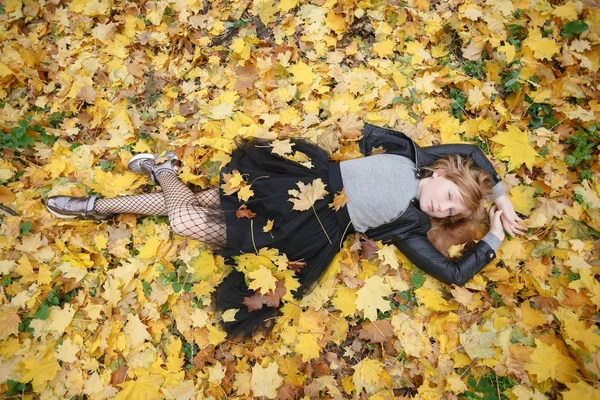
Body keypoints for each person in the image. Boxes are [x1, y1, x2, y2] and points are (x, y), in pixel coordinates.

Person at [46, 123, 525, 339]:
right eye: (445, 193)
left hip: (304, 231)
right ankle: (98, 206)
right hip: (294, 184)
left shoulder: (410, 224)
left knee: (186, 217)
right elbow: (476, 152)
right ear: (440, 173)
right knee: (201, 205)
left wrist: (495, 234)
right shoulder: (417, 157)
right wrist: (500, 195)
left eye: (448, 210)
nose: (439, 205)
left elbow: (453, 273)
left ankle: (162, 171)